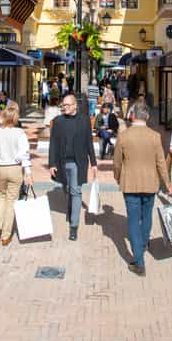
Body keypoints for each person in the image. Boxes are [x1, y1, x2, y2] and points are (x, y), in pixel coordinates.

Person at [113, 104, 171, 277]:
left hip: (130, 183)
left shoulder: (124, 136)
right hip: (150, 183)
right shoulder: (155, 136)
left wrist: (117, 177)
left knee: (133, 220)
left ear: (132, 116)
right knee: (146, 216)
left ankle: (139, 262)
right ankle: (144, 243)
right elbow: (161, 162)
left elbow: (117, 162)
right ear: (147, 117)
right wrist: (167, 183)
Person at [49, 93, 97, 241]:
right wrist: (52, 163)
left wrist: (94, 163)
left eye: (68, 105)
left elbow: (89, 142)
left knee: (76, 191)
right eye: (63, 105)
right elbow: (53, 143)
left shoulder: (84, 120)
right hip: (62, 162)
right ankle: (70, 209)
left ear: (75, 105)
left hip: (78, 162)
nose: (65, 107)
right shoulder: (58, 121)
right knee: (67, 189)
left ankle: (74, 226)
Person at [0, 104, 32, 246]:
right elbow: (24, 154)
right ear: (16, 118)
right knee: (11, 201)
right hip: (14, 168)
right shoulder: (19, 133)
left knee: (1, 197)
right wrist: (28, 173)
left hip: (0, 167)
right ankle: (6, 235)